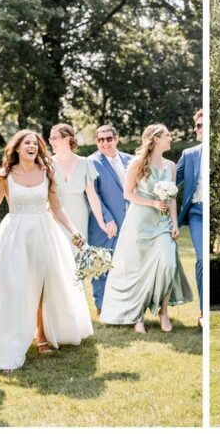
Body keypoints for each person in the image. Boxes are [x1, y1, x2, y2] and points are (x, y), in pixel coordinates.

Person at [0, 130, 93, 371]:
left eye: (35, 143)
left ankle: (41, 336)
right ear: (17, 148)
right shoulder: (4, 176)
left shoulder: (47, 173)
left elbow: (58, 208)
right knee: (13, 285)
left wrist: (73, 231)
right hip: (15, 235)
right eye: (26, 143)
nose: (31, 146)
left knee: (43, 285)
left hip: (44, 232)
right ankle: (10, 336)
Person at [98, 124, 194, 333]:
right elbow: (128, 193)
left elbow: (172, 199)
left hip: (162, 223)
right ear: (156, 138)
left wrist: (175, 223)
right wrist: (151, 203)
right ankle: (137, 315)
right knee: (139, 269)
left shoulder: (170, 166)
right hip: (140, 221)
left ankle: (164, 311)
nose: (171, 138)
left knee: (168, 265)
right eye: (167, 135)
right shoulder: (138, 163)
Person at [86, 125, 132, 315]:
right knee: (100, 264)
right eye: (100, 139)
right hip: (102, 223)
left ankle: (124, 304)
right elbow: (92, 194)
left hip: (130, 220)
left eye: (108, 139)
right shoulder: (90, 162)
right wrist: (107, 219)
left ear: (116, 139)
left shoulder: (130, 160)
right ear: (97, 141)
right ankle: (101, 306)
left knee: (126, 265)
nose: (105, 143)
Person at [48, 123, 113, 248]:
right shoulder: (48, 164)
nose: (50, 141)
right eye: (50, 138)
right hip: (54, 216)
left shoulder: (85, 163)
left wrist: (101, 222)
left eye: (54, 138)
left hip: (79, 216)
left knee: (78, 254)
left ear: (66, 139)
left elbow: (92, 196)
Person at [176, 109, 205, 328]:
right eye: (196, 125)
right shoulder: (190, 154)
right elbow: (169, 180)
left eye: (200, 125)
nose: (196, 129)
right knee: (202, 259)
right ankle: (204, 313)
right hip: (197, 213)